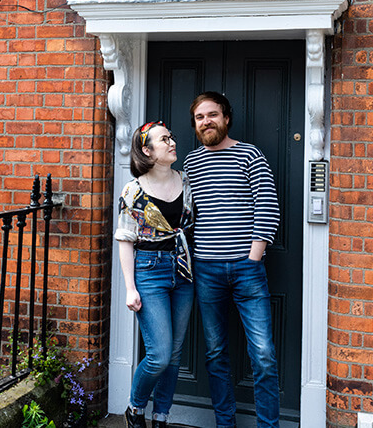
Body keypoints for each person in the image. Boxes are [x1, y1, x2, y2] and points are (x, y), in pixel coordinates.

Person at [183, 92, 281, 428]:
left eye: (213, 114)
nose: (206, 121)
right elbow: (186, 216)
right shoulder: (190, 164)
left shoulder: (250, 155)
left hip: (246, 268)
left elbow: (268, 206)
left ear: (226, 118)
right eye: (200, 117)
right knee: (214, 353)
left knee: (264, 356)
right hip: (206, 270)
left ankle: (269, 425)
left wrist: (253, 257)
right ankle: (226, 423)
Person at [115, 121, 194, 428]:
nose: (172, 142)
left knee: (174, 354)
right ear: (147, 151)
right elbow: (125, 239)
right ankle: (135, 408)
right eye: (164, 140)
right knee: (159, 354)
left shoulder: (185, 181)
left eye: (171, 137)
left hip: (183, 271)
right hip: (149, 270)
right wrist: (130, 288)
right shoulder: (133, 190)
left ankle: (161, 415)